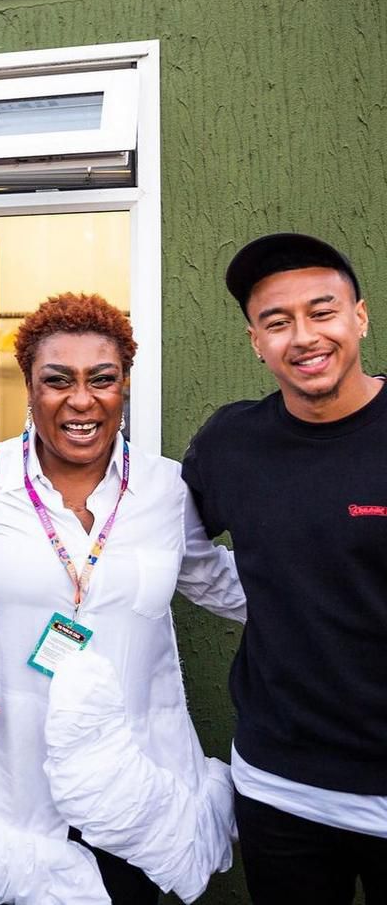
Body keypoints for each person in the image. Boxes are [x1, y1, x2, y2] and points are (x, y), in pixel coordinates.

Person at [0, 292, 246, 905]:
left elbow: (213, 579)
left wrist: (335, 596)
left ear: (124, 386)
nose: (81, 400)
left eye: (103, 379)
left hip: (133, 775)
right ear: (29, 388)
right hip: (13, 774)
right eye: (57, 381)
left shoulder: (166, 488)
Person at [182, 233, 387, 905]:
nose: (303, 336)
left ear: (359, 316)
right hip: (280, 786)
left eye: (321, 311)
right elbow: (174, 543)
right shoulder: (231, 442)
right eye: (277, 322)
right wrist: (265, 597)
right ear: (254, 341)